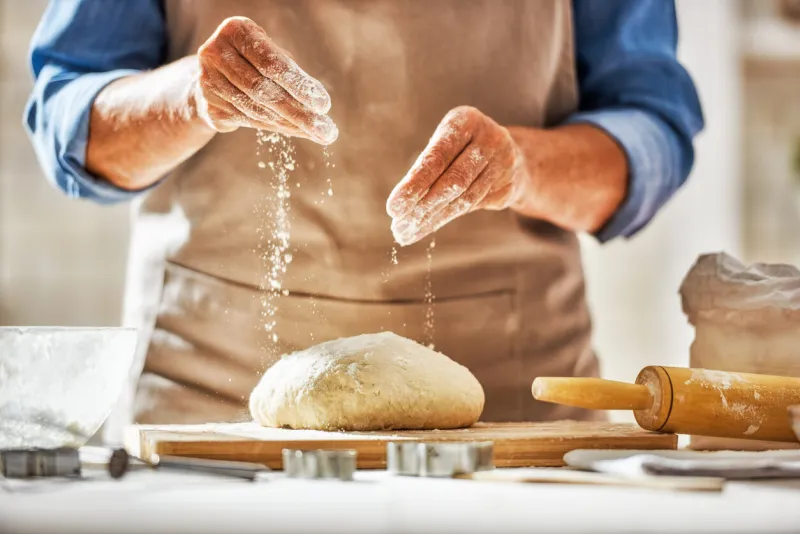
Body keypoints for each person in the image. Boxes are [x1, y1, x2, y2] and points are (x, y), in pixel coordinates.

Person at [25, 0, 703, 440]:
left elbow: (652, 133)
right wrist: (189, 98)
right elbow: (68, 114)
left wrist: (525, 165)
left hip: (511, 409)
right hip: (209, 403)